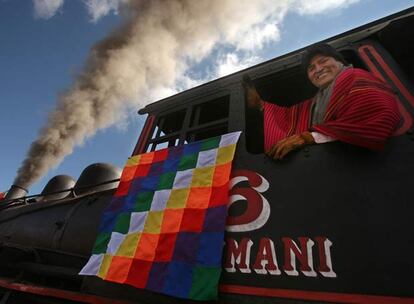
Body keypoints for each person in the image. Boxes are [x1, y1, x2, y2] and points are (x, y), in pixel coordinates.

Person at [243, 43, 401, 160]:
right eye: (311, 68)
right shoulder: (317, 100)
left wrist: (309, 137)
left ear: (340, 62)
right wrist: (260, 106)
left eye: (323, 61)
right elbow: (289, 116)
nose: (318, 69)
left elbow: (377, 113)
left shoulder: (355, 77)